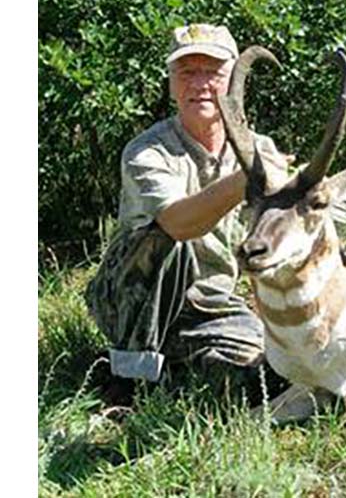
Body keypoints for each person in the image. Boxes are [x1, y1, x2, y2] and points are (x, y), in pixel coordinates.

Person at [85, 23, 288, 401]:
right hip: (130, 302)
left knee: (268, 375)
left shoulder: (261, 149)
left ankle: (175, 373)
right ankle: (128, 378)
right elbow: (176, 223)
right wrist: (245, 180)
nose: (200, 84)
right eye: (186, 72)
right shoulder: (147, 151)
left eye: (213, 72)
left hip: (213, 306)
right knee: (166, 240)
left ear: (233, 82)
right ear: (171, 83)